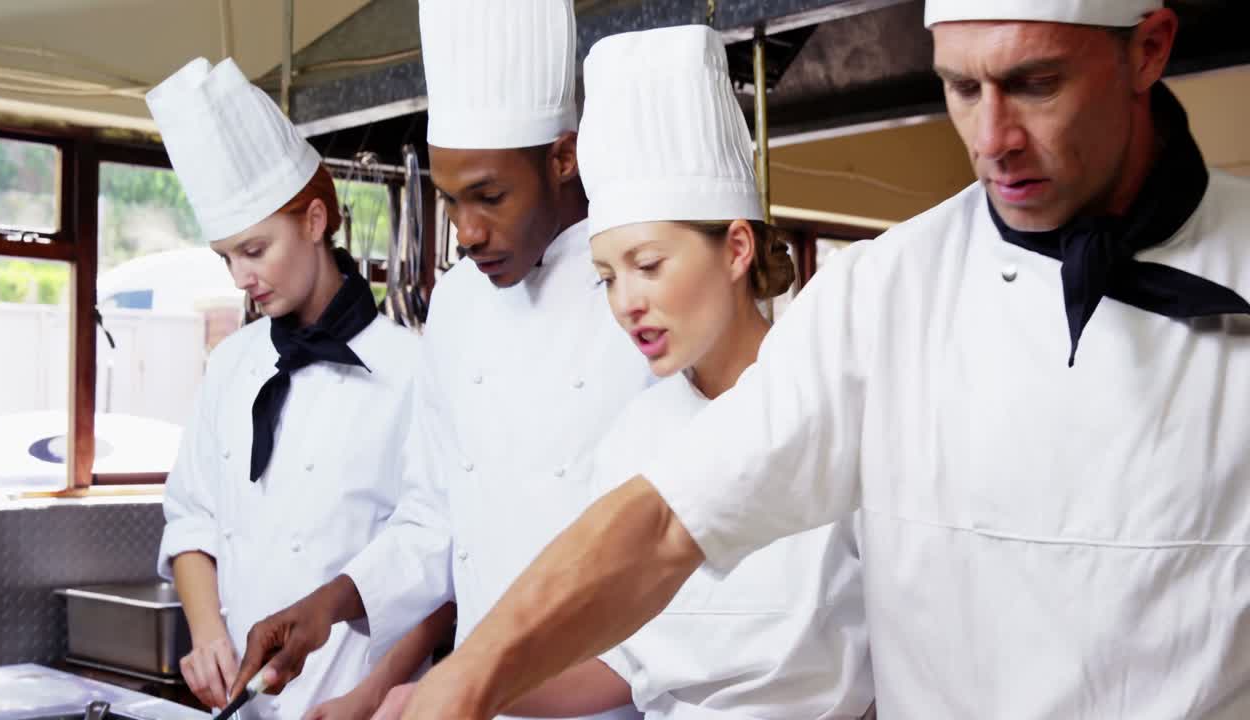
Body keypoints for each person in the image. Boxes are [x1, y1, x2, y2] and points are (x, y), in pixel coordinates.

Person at [398, 2, 1250, 719]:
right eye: (958, 86)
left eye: (1035, 83)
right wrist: (467, 679)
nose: (993, 138)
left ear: (1148, 49)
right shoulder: (887, 291)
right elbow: (663, 523)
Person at [228, 2, 651, 719]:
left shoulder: (643, 294)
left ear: (562, 158)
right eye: (451, 199)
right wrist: (328, 606)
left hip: (607, 705)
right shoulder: (456, 302)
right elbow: (434, 516)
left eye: (490, 196)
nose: (468, 232)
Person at [148, 58, 435, 720]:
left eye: (254, 250)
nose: (240, 278)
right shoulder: (231, 366)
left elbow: (433, 568)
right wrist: (208, 632)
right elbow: (192, 516)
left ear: (313, 221)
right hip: (244, 706)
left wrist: (368, 700)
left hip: (362, 706)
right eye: (226, 258)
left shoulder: (413, 371)